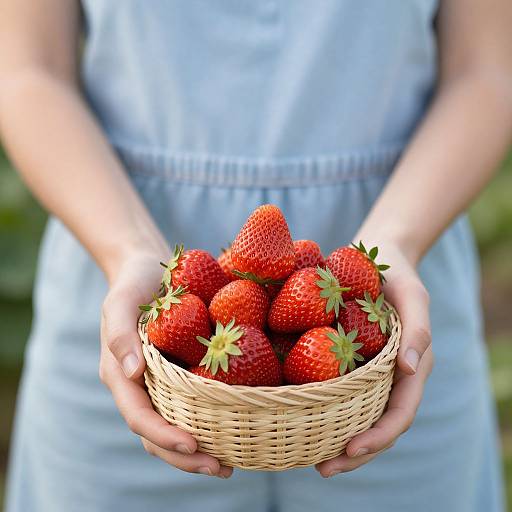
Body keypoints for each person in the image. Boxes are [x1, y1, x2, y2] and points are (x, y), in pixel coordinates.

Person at [1, 1, 510, 511]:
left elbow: (485, 70)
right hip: (118, 271)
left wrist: (395, 244)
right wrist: (128, 251)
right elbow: (29, 70)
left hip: (392, 299)